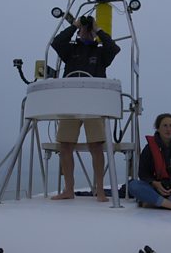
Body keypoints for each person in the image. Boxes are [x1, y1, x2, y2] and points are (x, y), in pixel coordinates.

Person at [50, 16, 121, 202]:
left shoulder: (101, 53)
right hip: (70, 104)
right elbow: (56, 42)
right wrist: (74, 26)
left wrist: (97, 30)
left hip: (94, 105)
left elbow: (114, 48)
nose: (86, 31)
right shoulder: (70, 50)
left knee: (96, 146)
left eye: (87, 29)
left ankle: (100, 190)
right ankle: (69, 190)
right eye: (84, 29)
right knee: (65, 146)